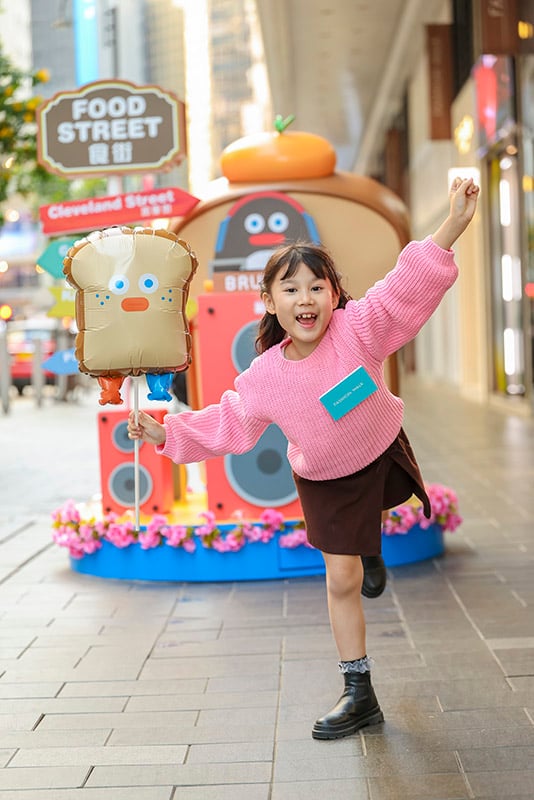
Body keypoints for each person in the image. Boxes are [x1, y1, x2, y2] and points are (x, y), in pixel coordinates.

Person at [127, 176, 479, 740]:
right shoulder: (264, 376)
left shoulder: (358, 328)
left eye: (317, 287)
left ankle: (369, 545)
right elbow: (229, 423)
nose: (306, 299)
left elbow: (403, 286)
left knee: (362, 542)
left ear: (334, 295)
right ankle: (359, 693)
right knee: (341, 578)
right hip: (326, 479)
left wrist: (454, 223)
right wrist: (164, 430)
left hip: (379, 450)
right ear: (270, 302)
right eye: (290, 289)